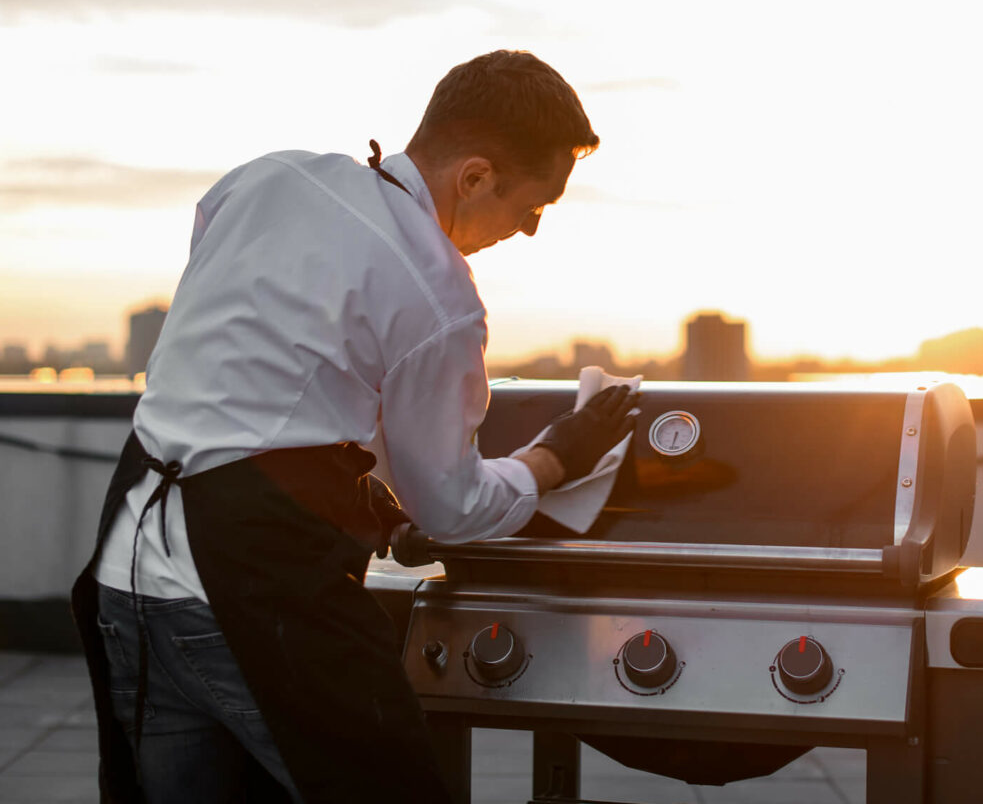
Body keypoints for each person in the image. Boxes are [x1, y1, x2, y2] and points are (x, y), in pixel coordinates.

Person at [71, 50, 639, 803]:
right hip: (249, 596)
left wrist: (347, 481)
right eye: (534, 205)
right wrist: (554, 458)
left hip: (127, 572)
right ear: (474, 178)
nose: (530, 229)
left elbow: (246, 367)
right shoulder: (439, 295)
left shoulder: (269, 176)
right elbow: (455, 508)